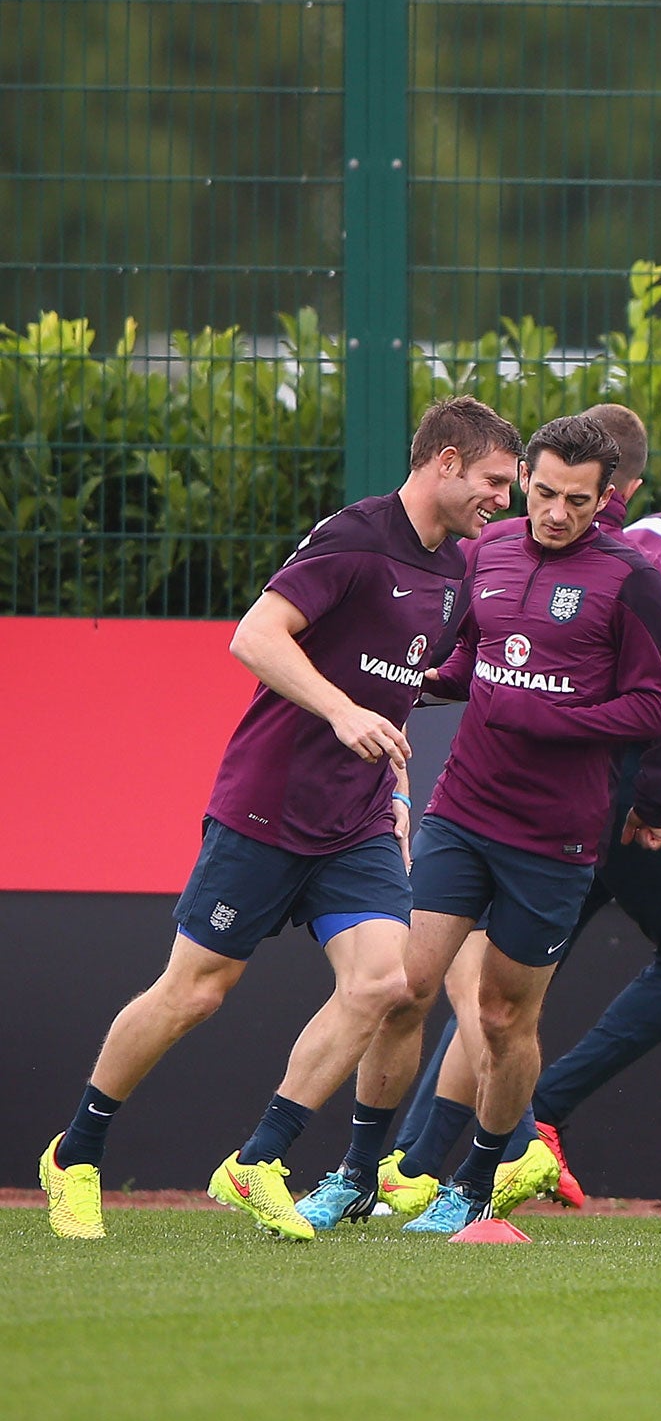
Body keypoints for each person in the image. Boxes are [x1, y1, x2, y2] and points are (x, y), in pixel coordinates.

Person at [37, 396, 520, 1240]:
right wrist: (340, 713)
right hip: (267, 803)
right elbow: (256, 635)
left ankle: (258, 1158)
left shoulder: (456, 569)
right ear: (444, 460)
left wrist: (397, 793)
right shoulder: (356, 537)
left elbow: (395, 693)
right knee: (195, 991)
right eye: (493, 482)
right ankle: (75, 1155)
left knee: (383, 981)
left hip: (360, 818)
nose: (503, 502)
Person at [304, 412, 661, 1223]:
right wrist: (421, 679)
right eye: (542, 493)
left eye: (578, 499)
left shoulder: (639, 577)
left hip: (558, 835)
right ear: (526, 482)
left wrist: (565, 723)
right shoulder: (486, 553)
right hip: (462, 810)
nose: (556, 513)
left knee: (505, 1018)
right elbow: (474, 658)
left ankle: (473, 1188)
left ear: (609, 498)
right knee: (404, 988)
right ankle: (359, 1174)